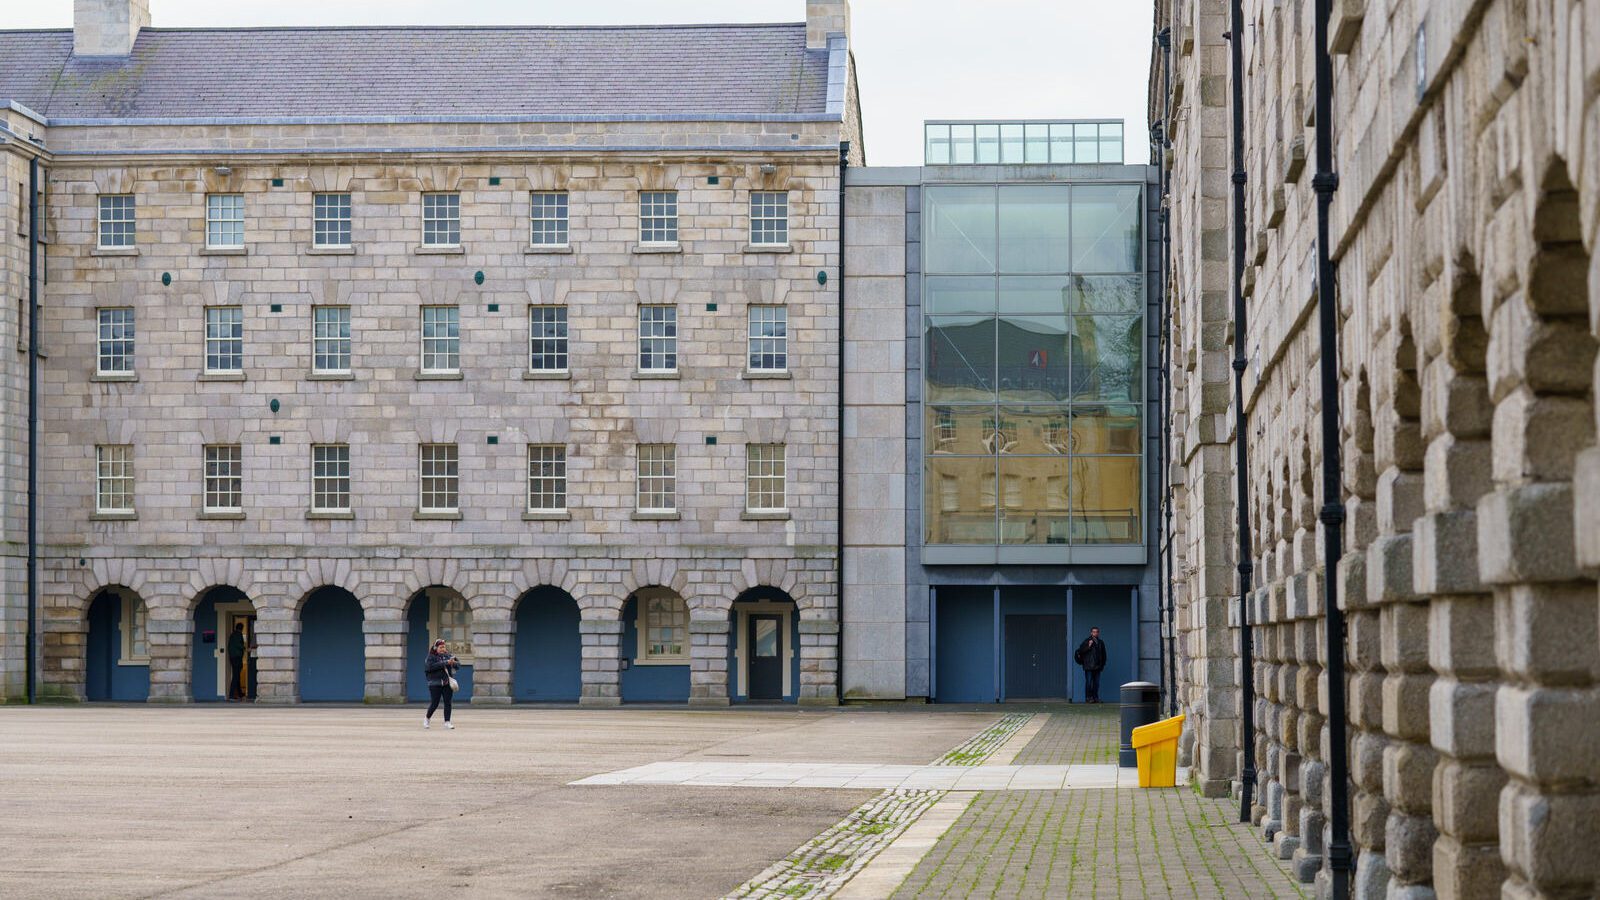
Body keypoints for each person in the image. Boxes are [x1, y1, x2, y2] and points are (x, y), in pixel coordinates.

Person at [424, 639, 460, 730]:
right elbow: (430, 667)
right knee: (435, 703)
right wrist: (445, 663)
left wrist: (453, 663)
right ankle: (427, 718)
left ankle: (447, 722)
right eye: (440, 647)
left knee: (448, 702)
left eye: (444, 647)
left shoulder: (448, 655)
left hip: (447, 683)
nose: (442, 649)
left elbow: (458, 665)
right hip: (435, 683)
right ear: (436, 648)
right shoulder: (430, 657)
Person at [1074, 626, 1108, 704]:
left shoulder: (1100, 642)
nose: (1095, 633)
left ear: (1098, 633)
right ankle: (1088, 698)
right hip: (1088, 666)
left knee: (1096, 683)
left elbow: (1104, 654)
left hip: (1097, 667)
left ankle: (1095, 698)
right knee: (1089, 683)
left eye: (1096, 632)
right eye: (1094, 632)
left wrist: (1102, 664)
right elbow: (1081, 651)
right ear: (1091, 633)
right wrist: (1088, 646)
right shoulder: (1087, 641)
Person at [226, 622, 247, 701]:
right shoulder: (238, 634)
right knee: (236, 676)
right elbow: (239, 645)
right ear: (241, 628)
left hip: (232, 657)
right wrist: (245, 648)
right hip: (237, 658)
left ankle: (239, 693)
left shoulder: (232, 635)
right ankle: (231, 695)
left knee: (237, 675)